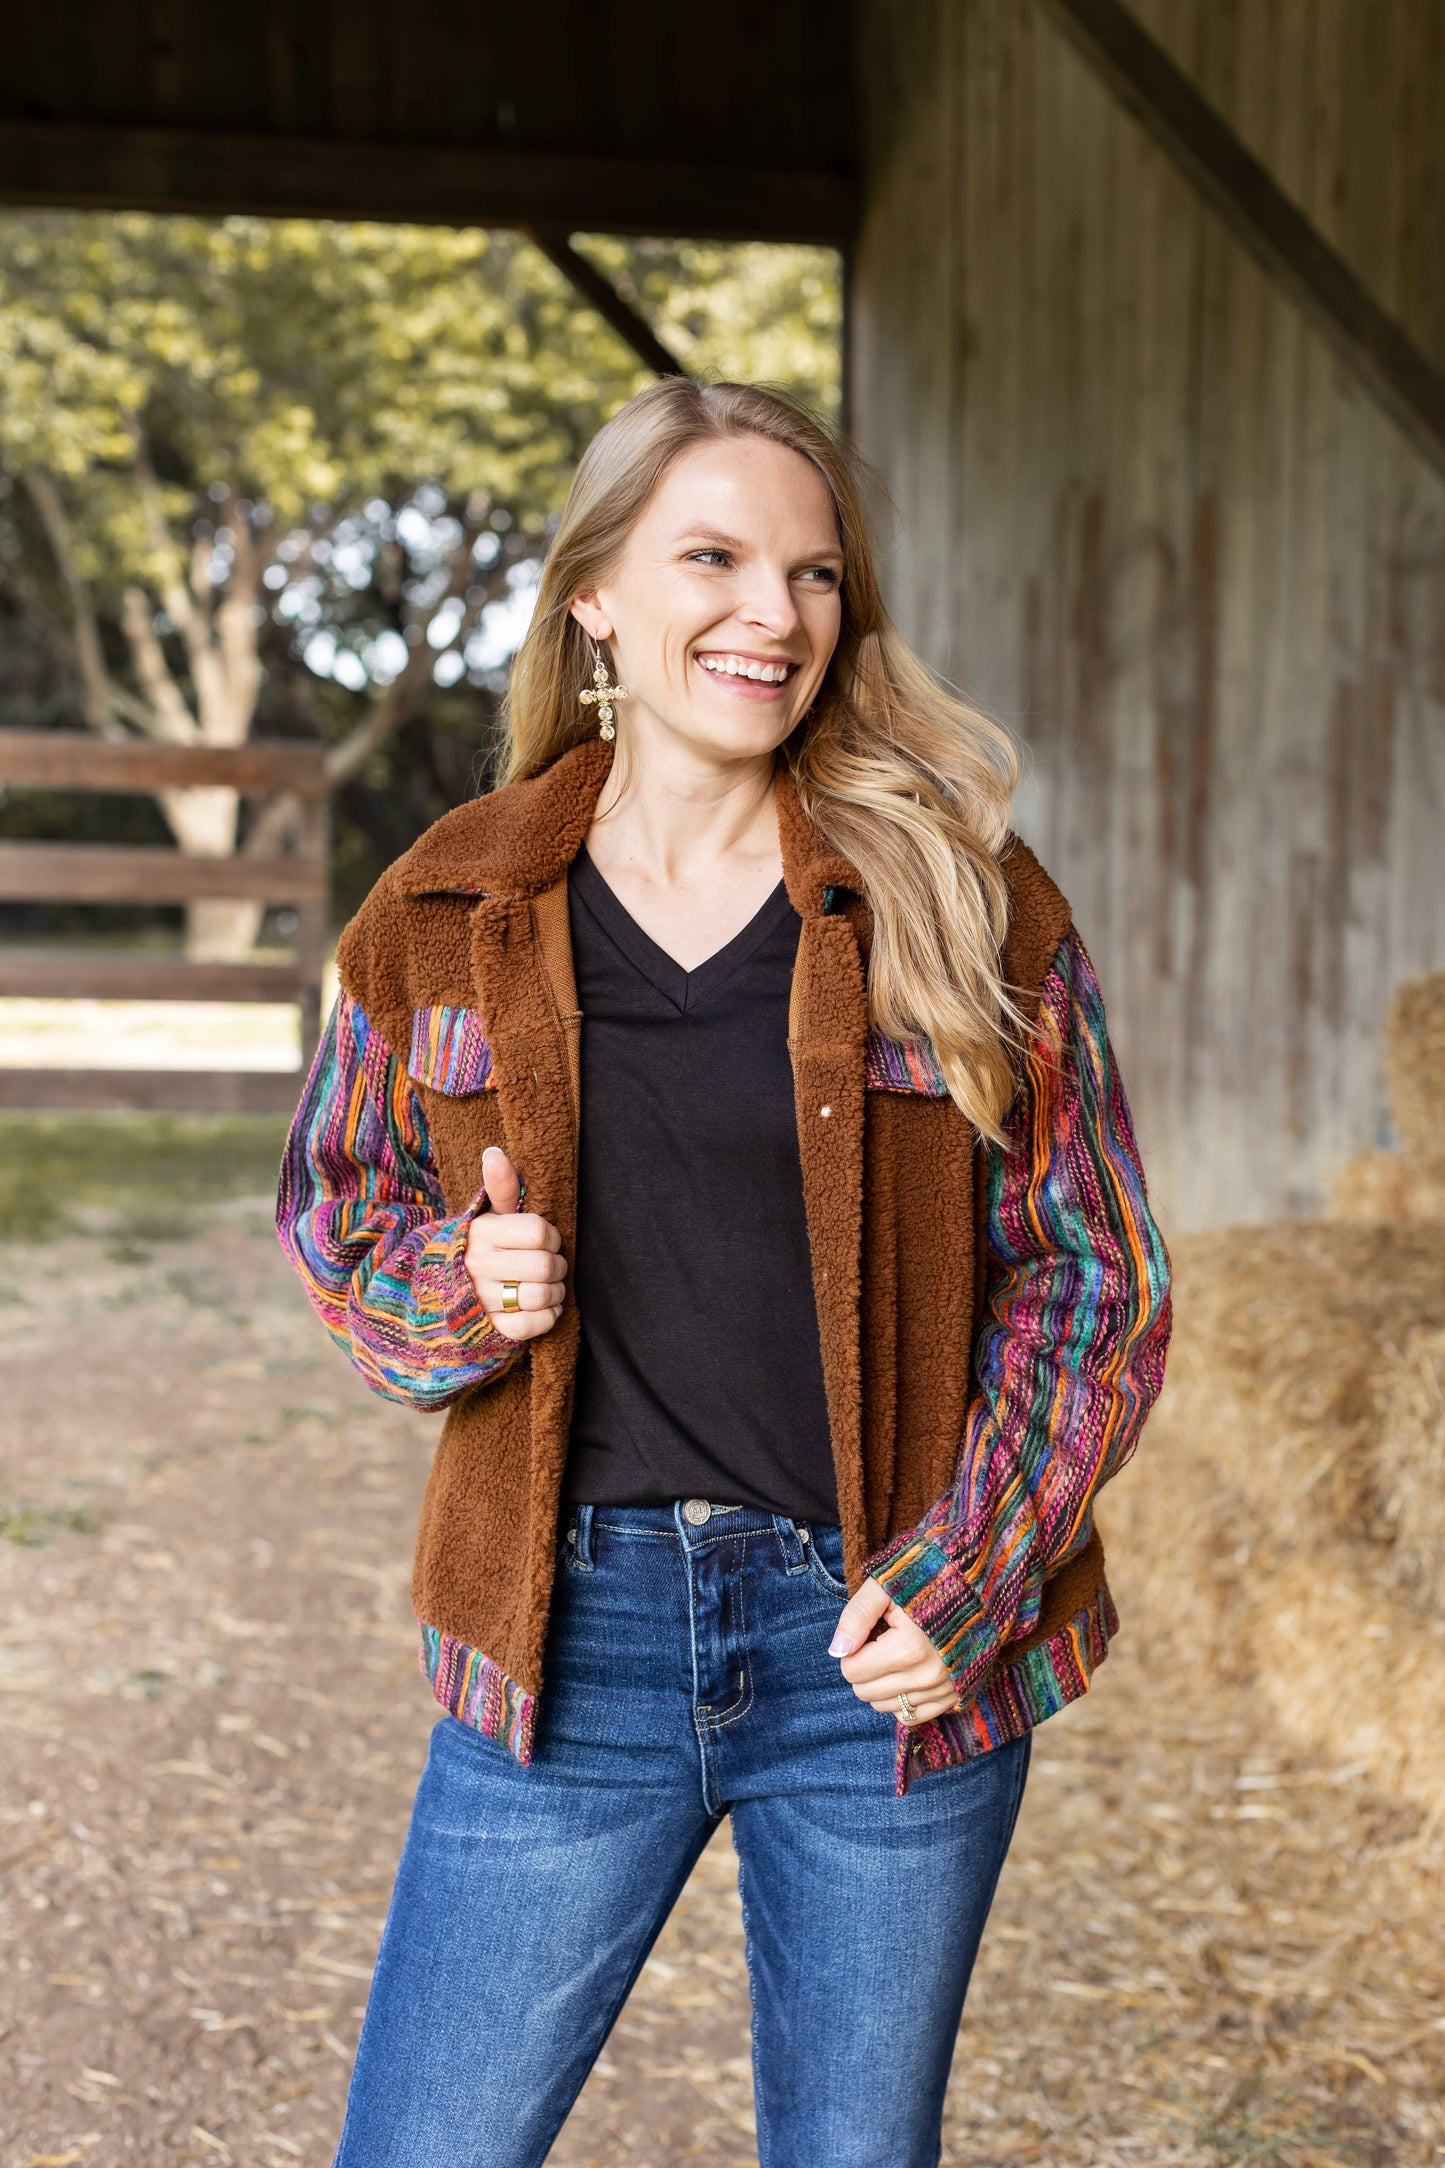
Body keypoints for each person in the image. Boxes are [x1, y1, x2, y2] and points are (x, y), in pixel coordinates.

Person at [276, 377, 1173, 2168]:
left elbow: (1099, 1278)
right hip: (569, 1639)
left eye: (814, 574)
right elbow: (333, 1201)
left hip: (878, 1647)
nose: (773, 614)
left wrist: (971, 1574)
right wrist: (463, 1290)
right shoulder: (445, 911)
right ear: (594, 591)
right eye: (714, 557)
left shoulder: (962, 898)